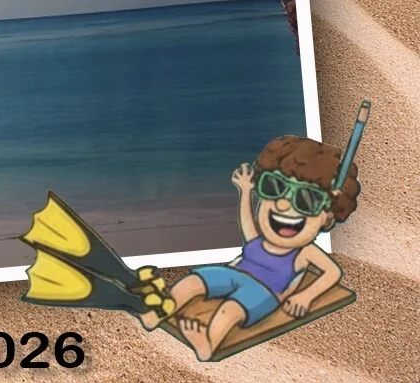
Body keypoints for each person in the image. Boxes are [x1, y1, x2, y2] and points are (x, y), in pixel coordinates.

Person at [145, 133, 357, 360]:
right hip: (234, 274)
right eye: (274, 187)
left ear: (327, 218)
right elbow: (247, 222)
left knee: (230, 310)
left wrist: (305, 296)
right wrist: (245, 191)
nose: (283, 204)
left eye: (306, 199)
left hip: (264, 291)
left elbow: (332, 272)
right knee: (192, 283)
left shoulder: (304, 253)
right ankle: (157, 313)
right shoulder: (259, 240)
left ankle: (208, 344)